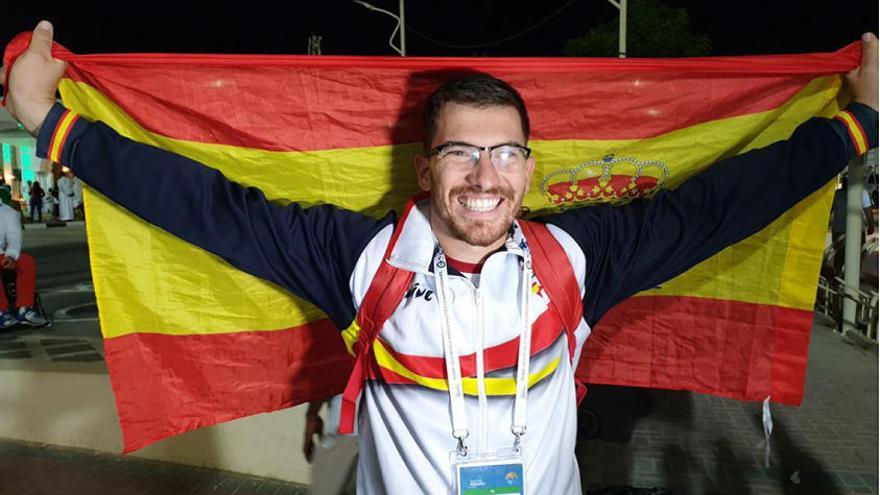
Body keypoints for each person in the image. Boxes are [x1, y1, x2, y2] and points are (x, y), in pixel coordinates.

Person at [1, 21, 876, 494]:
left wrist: (858, 122)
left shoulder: (579, 254)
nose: (484, 177)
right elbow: (202, 203)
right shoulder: (357, 256)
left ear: (531, 170)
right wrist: (53, 123)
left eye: (504, 154)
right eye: (462, 152)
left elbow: (726, 203)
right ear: (426, 166)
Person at [0, 201, 47, 327]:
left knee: (26, 261)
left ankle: (25, 310)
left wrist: (11, 256)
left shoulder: (8, 213)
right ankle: (1, 312)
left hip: (2, 254)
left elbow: (14, 237)